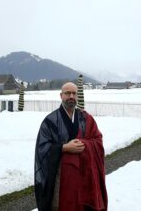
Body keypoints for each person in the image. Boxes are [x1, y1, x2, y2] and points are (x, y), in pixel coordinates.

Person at [34, 82, 108, 211]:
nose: (71, 96)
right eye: (67, 93)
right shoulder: (50, 121)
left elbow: (97, 141)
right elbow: (42, 148)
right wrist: (63, 148)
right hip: (61, 177)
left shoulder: (86, 118)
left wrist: (84, 144)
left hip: (84, 175)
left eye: (74, 93)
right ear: (61, 95)